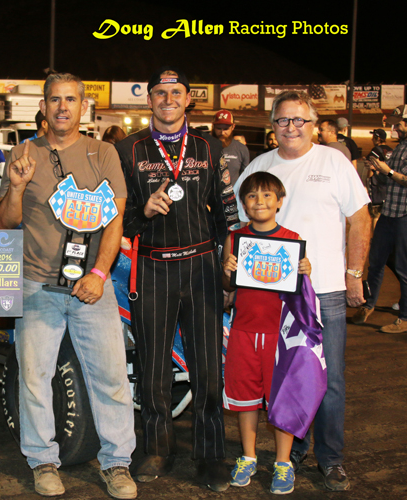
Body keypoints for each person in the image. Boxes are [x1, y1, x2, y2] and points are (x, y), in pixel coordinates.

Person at [0, 73, 137, 499]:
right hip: (36, 284)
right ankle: (42, 461)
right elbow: (5, 221)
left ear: (83, 107)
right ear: (43, 106)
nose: (62, 107)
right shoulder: (23, 153)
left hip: (91, 288)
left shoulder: (103, 152)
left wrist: (99, 274)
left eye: (70, 100)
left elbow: (115, 221)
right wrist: (16, 186)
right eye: (54, 100)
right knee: (34, 378)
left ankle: (117, 463)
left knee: (111, 377)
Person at [234, 90, 371, 492]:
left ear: (312, 124)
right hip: (270, 295)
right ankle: (291, 453)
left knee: (328, 378)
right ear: (272, 126)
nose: (291, 127)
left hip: (323, 290)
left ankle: (331, 458)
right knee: (285, 376)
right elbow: (240, 227)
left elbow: (361, 219)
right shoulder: (259, 166)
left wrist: (354, 274)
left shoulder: (334, 161)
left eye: (299, 120)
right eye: (283, 120)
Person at [115, 67, 238, 492]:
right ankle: (156, 448)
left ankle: (211, 454)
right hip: (152, 267)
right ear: (149, 99)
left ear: (188, 99)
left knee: (208, 367)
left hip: (201, 267)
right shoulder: (127, 149)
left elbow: (227, 216)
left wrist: (229, 273)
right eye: (160, 93)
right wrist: (143, 212)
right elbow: (118, 220)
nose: (168, 99)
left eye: (176, 92)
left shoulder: (210, 147)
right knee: (152, 367)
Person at [222, 172, 312, 495]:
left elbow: (301, 293)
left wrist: (305, 271)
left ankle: (283, 462)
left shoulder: (291, 239)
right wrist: (227, 271)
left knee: (281, 399)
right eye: (251, 196)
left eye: (266, 196)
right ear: (243, 204)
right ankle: (248, 456)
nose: (259, 202)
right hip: (244, 331)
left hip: (279, 335)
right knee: (245, 398)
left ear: (279, 202)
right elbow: (227, 286)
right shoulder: (236, 238)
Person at [352, 106, 407, 333]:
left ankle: (404, 317)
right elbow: (390, 181)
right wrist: (377, 171)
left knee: (403, 268)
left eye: (398, 123)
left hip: (404, 215)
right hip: (389, 212)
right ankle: (369, 304)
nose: (395, 127)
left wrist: (388, 172)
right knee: (375, 261)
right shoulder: (400, 147)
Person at [211, 109, 250, 186]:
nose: (222, 133)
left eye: (226, 129)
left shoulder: (241, 149)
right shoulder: (205, 147)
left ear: (233, 127)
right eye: (218, 128)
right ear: (213, 127)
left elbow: (245, 177)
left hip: (233, 192)